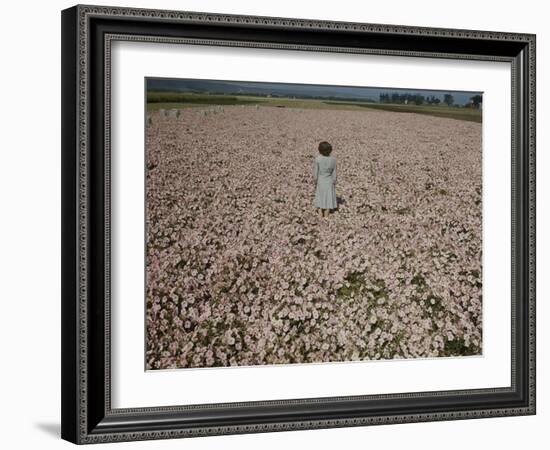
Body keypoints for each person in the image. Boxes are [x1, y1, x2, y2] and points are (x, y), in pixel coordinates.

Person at [313, 141, 337, 217]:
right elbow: (334, 173)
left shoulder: (318, 159)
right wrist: (334, 181)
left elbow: (315, 172)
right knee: (328, 197)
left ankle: (320, 214)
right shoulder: (333, 159)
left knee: (320, 196)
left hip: (321, 180)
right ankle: (326, 216)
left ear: (320, 150)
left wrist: (315, 181)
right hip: (329, 180)